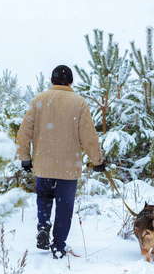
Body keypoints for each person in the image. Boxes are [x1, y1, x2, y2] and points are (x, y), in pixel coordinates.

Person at [16, 65, 106, 259]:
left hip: (44, 165)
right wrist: (97, 161)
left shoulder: (39, 100)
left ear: (52, 81)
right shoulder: (79, 103)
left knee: (44, 196)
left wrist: (25, 158)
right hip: (68, 167)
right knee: (64, 207)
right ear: (71, 82)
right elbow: (89, 136)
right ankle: (58, 246)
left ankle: (43, 225)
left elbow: (24, 132)